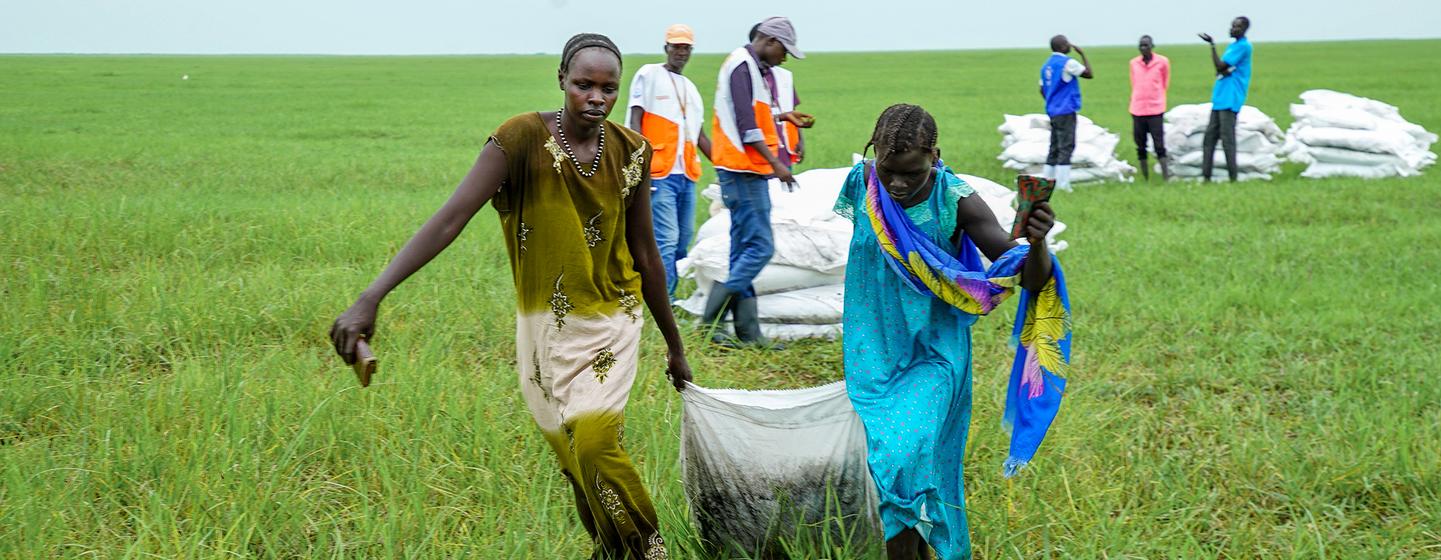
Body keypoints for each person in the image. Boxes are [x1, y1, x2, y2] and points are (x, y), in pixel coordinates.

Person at [328, 33, 691, 560]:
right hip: (543, 328)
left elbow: (646, 253)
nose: (595, 97)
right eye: (583, 84)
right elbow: (450, 219)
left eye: (607, 88)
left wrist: (675, 346)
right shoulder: (518, 139)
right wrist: (372, 296)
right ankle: (609, 550)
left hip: (612, 317)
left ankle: (647, 553)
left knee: (593, 444)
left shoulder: (632, 151)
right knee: (573, 459)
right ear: (561, 81)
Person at [833, 104, 1072, 560]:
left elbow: (1025, 276)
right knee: (893, 464)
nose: (899, 185)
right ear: (873, 153)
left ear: (935, 156)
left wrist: (1036, 241)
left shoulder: (956, 200)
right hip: (873, 353)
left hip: (934, 356)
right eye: (889, 170)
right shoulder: (861, 184)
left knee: (903, 458)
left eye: (913, 173)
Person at [704, 16, 804, 347]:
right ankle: (709, 322)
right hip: (742, 169)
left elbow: (749, 115)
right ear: (770, 42)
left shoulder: (751, 68)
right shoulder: (742, 66)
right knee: (761, 247)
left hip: (746, 169)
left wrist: (782, 117)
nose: (784, 59)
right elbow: (747, 127)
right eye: (784, 51)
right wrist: (778, 164)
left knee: (743, 249)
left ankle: (748, 333)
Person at [627, 24, 712, 299]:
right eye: (676, 46)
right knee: (667, 239)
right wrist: (639, 167)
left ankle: (664, 293)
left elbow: (698, 134)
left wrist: (725, 165)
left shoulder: (691, 88)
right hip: (658, 174)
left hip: (686, 175)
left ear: (691, 51)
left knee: (683, 239)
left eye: (686, 47)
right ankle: (665, 301)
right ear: (666, 48)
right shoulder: (649, 74)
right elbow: (635, 120)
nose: (681, 52)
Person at [749, 23, 814, 169]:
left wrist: (800, 141)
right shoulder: (748, 76)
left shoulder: (784, 77)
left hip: (784, 153)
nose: (784, 59)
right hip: (760, 155)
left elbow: (792, 111)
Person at [1199, 16, 1253, 182]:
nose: (1232, 29)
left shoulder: (1243, 46)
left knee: (1227, 139)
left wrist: (1212, 46)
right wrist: (1223, 69)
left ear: (1244, 29)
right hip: (1220, 97)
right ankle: (1206, 177)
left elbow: (1220, 66)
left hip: (1231, 98)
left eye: (1236, 27)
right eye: (1232, 26)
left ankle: (1233, 177)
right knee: (1209, 139)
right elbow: (1223, 69)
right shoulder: (1233, 46)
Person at [1038, 34, 1092, 192]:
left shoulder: (1046, 65)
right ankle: (1063, 185)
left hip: (1053, 110)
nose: (1070, 45)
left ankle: (1046, 182)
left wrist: (1051, 100)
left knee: (1054, 146)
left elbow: (1042, 88)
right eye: (1067, 43)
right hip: (1066, 109)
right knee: (1066, 146)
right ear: (1062, 47)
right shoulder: (1068, 63)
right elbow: (1088, 74)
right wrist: (1082, 54)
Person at [1129, 35, 1171, 181]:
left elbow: (1165, 82)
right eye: (1141, 45)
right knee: (1140, 145)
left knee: (1159, 144)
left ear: (1152, 46)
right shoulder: (1134, 63)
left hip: (1155, 109)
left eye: (1146, 45)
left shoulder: (1162, 62)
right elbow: (1134, 82)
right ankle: (1145, 176)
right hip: (1138, 108)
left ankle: (1166, 176)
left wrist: (1157, 96)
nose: (1143, 48)